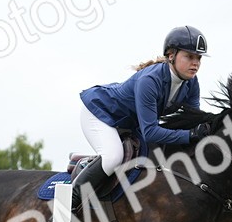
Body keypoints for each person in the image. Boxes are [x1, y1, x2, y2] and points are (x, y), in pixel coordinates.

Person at [73, 26, 212, 211]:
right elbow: (151, 132)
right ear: (171, 55)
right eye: (189, 56)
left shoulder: (191, 83)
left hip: (130, 123)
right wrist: (190, 135)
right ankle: (67, 207)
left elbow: (192, 122)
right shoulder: (150, 80)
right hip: (101, 114)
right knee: (113, 157)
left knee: (154, 159)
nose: (195, 63)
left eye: (199, 58)